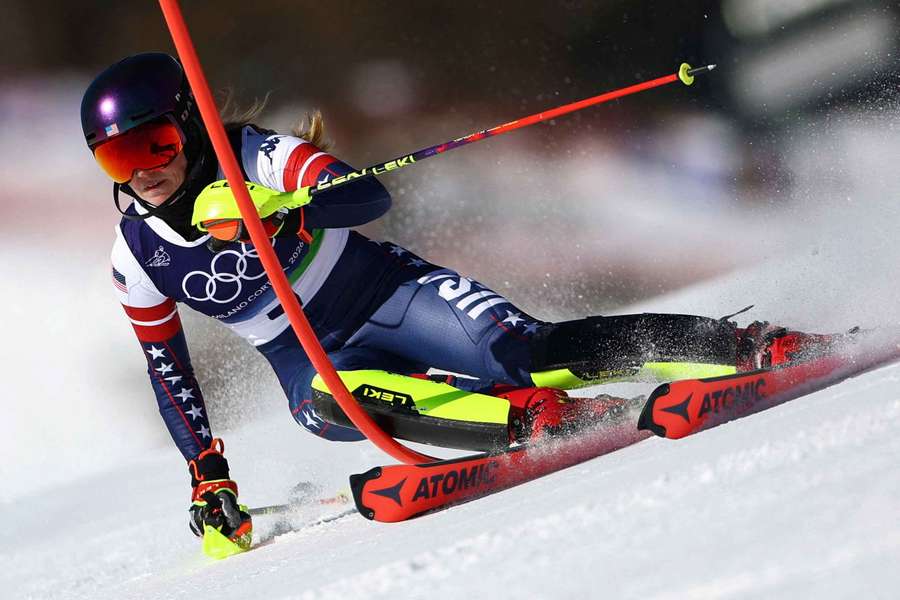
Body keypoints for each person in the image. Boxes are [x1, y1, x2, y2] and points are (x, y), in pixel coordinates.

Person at [81, 52, 831, 548]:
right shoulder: (135, 258)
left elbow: (366, 196)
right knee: (329, 402)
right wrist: (207, 471)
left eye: (154, 145)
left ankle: (740, 345)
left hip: (390, 291)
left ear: (186, 125)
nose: (143, 171)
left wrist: (277, 207)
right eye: (118, 157)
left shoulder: (260, 155)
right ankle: (531, 423)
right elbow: (166, 370)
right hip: (312, 358)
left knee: (522, 353)